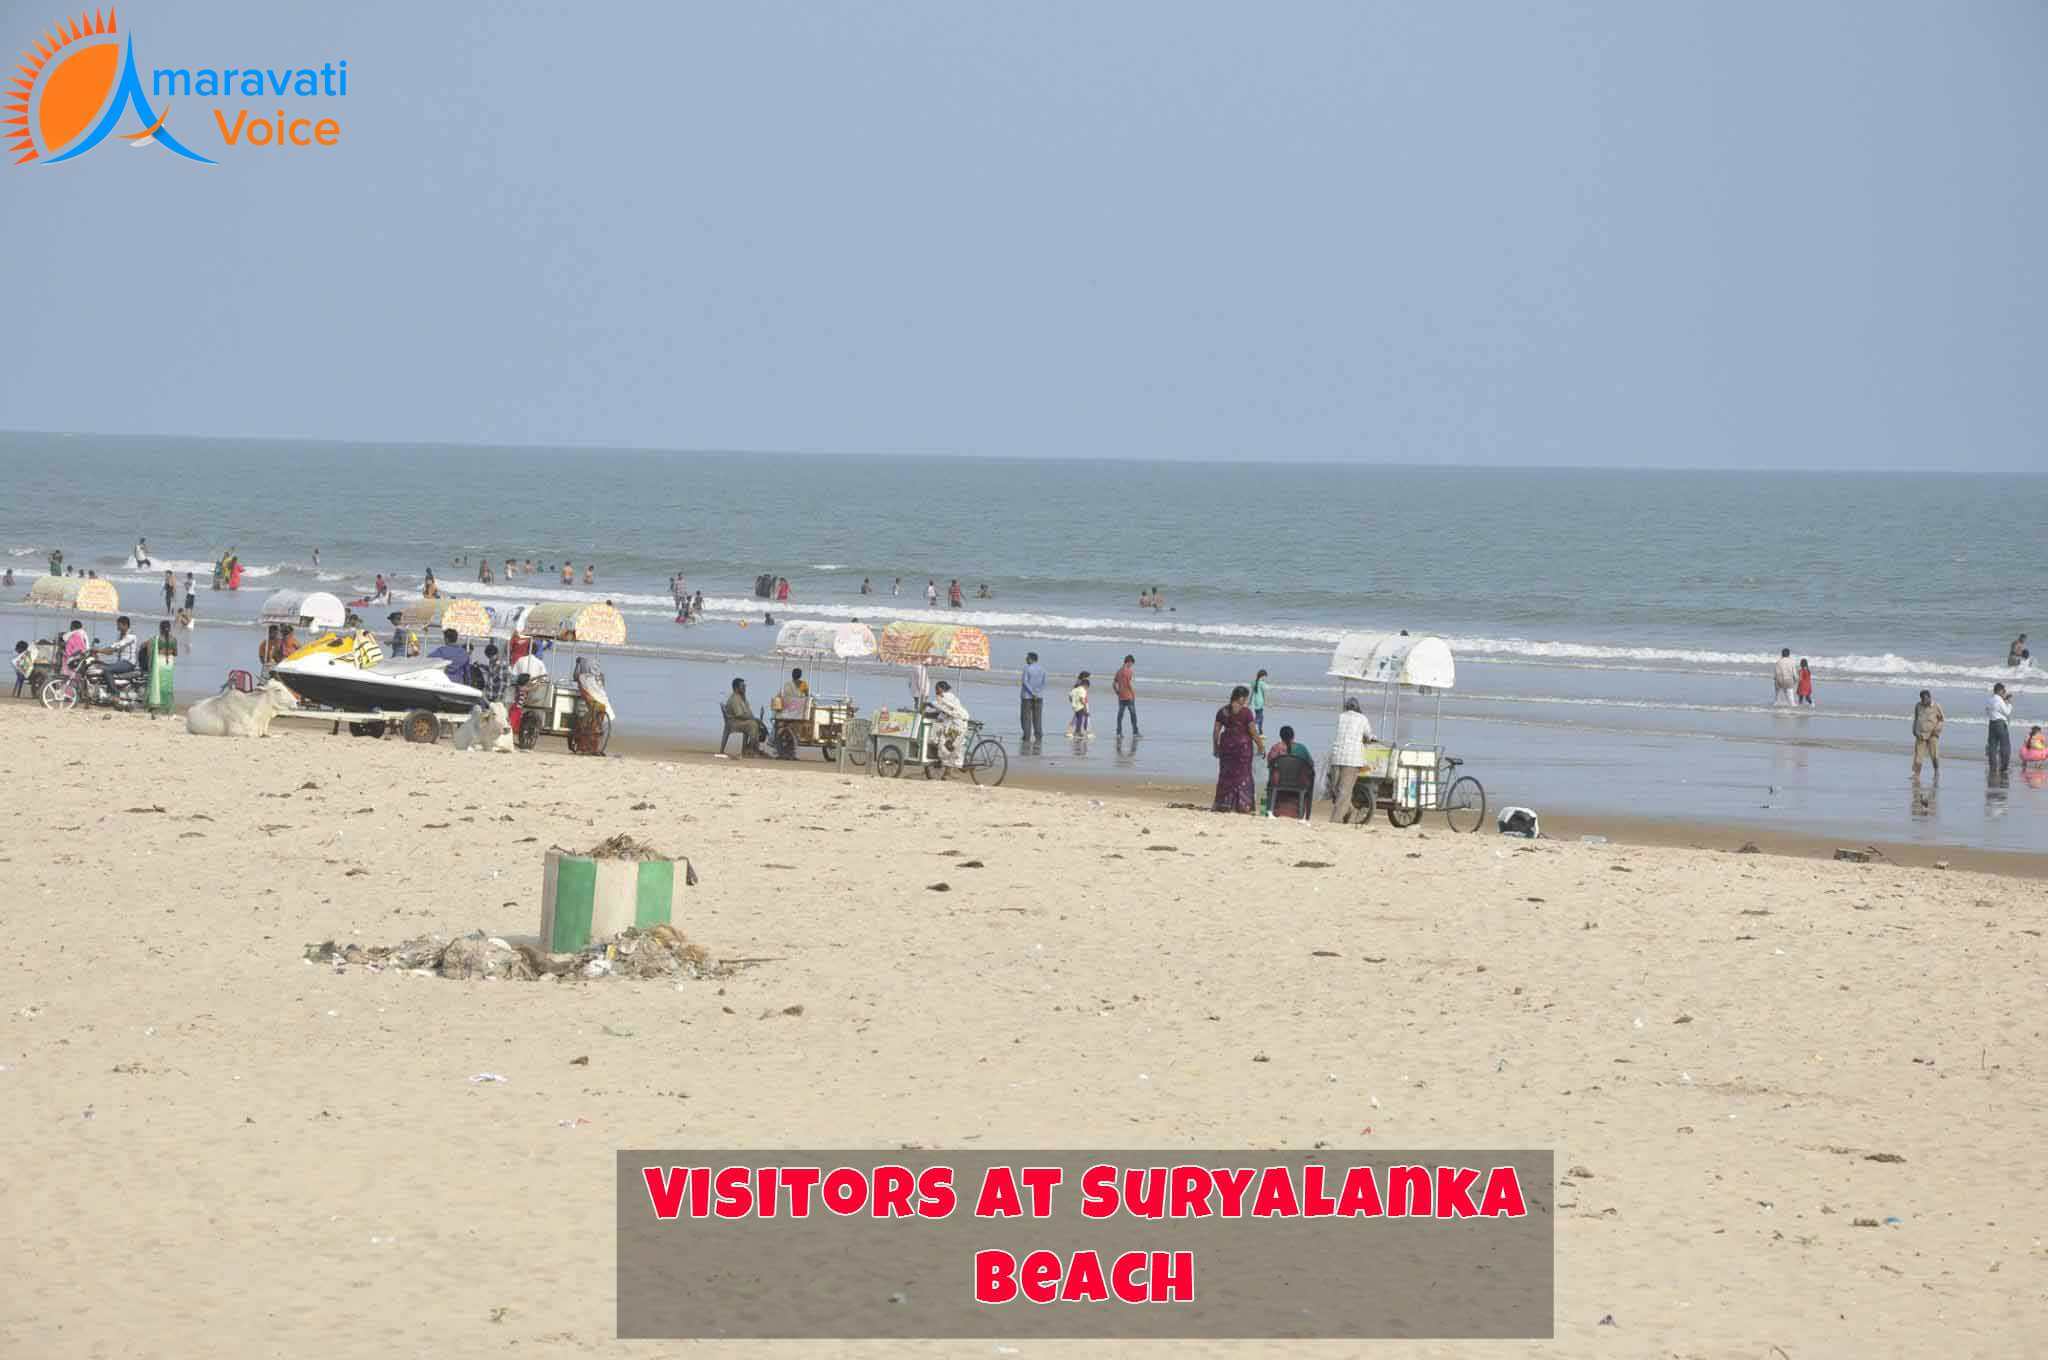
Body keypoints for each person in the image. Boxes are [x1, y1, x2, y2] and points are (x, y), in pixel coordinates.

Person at [1213, 685, 1260, 813]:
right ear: (1240, 698)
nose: (1245, 701)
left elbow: (1216, 731)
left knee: (1226, 775)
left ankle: (1224, 804)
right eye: (1245, 698)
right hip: (1242, 748)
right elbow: (1253, 732)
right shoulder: (1246, 712)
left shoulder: (1222, 711)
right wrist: (1261, 746)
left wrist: (1215, 747)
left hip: (1226, 746)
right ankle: (1242, 806)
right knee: (1243, 775)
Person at [1328, 697, 1374, 823]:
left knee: (1336, 790)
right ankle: (1349, 811)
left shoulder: (1340, 717)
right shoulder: (1362, 719)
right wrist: (1370, 738)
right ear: (1358, 707)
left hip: (1337, 755)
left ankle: (1335, 820)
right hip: (1352, 759)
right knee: (1344, 791)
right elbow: (1369, 736)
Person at [1264, 725, 1314, 816]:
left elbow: (1269, 764)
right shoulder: (1302, 748)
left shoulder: (1276, 748)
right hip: (1299, 783)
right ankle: (1302, 814)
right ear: (1293, 736)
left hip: (1278, 782)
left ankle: (1271, 810)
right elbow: (1311, 765)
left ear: (1280, 736)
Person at [928, 679, 971, 775]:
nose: (936, 691)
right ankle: (947, 773)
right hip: (958, 722)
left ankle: (957, 768)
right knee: (949, 745)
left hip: (957, 724)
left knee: (946, 745)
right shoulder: (949, 697)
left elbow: (937, 704)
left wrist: (928, 704)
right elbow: (943, 711)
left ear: (942, 689)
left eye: (937, 688)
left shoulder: (945, 696)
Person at [142, 619, 176, 716]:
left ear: (160, 628)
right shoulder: (173, 639)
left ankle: (153, 707)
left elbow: (149, 653)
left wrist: (149, 665)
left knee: (155, 685)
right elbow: (175, 652)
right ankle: (167, 708)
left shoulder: (154, 639)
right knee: (167, 686)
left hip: (158, 664)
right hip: (168, 664)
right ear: (170, 629)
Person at [724, 677, 765, 756]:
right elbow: (739, 715)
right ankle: (752, 750)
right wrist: (753, 719)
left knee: (756, 724)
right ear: (736, 688)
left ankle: (750, 748)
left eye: (745, 686)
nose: (745, 688)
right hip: (734, 723)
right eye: (742, 686)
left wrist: (756, 718)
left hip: (740, 721)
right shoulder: (734, 699)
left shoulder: (741, 698)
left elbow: (748, 712)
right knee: (753, 725)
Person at [1911, 690, 1944, 777]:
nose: (1924, 701)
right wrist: (1914, 730)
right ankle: (1916, 774)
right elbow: (1916, 718)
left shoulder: (1936, 706)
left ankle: (1936, 771)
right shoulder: (1918, 706)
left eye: (1925, 699)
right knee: (1918, 756)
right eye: (1922, 699)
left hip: (1933, 735)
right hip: (1920, 734)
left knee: (1934, 755)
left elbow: (1941, 720)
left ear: (1929, 697)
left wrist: (1937, 730)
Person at [1986, 683, 2014, 775]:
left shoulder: (1990, 700)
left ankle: (1993, 767)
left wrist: (2004, 701)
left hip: (1992, 723)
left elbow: (1987, 710)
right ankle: (2004, 767)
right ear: (2000, 691)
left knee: (1992, 746)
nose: (2004, 693)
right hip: (2000, 724)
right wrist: (2009, 703)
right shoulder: (1999, 700)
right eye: (2004, 691)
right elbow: (2007, 712)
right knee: (2005, 746)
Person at [1019, 651, 1047, 743]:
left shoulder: (1027, 668)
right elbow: (1044, 683)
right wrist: (1037, 692)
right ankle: (1038, 736)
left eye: (1027, 657)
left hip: (1027, 697)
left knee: (1025, 718)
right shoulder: (1042, 669)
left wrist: (1032, 693)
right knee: (1037, 718)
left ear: (1031, 659)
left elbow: (1025, 682)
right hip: (1039, 696)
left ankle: (1026, 736)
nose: (1026, 659)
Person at [1113, 654, 1139, 736]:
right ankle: (1135, 732)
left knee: (1120, 715)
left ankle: (1118, 732)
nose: (1131, 666)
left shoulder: (1119, 671)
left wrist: (1117, 692)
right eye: (1131, 664)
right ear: (1129, 662)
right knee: (1133, 715)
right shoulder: (1128, 671)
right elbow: (1128, 684)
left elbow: (1114, 684)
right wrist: (1133, 693)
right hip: (1128, 696)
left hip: (1121, 696)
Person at [1068, 672, 1091, 737]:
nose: (1088, 679)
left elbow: (1071, 694)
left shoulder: (1079, 683)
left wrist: (1073, 702)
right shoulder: (1080, 684)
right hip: (1082, 703)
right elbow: (1078, 695)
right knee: (1082, 717)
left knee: (1078, 717)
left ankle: (1075, 730)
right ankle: (1081, 731)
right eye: (1087, 677)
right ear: (1084, 677)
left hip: (1079, 703)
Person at [1250, 669, 1270, 735]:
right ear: (1262, 676)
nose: (1265, 678)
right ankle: (1251, 726)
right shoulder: (1262, 683)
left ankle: (1260, 731)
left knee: (1259, 716)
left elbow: (1252, 693)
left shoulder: (1254, 682)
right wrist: (1266, 702)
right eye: (1265, 677)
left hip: (1255, 701)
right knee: (1259, 717)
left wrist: (1250, 701)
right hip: (1260, 701)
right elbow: (1264, 693)